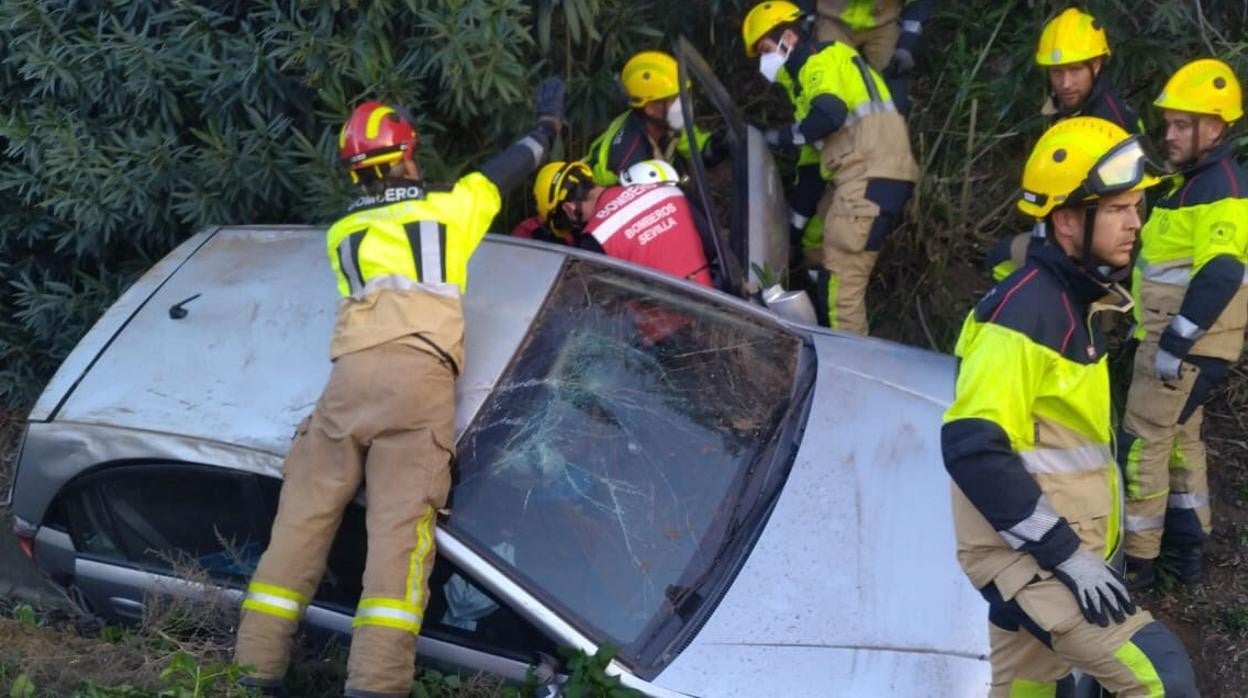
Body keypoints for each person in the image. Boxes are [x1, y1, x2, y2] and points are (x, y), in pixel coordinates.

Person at [232, 79, 565, 697]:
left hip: (348, 384)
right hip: (418, 384)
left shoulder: (342, 239)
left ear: (356, 175)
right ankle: (376, 686)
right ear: (410, 156)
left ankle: (252, 673)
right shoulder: (448, 213)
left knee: (301, 526)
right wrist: (546, 125)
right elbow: (502, 171)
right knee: (397, 538)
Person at [942, 115, 1198, 695]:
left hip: (1048, 554)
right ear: (1065, 220)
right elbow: (972, 446)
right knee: (1163, 680)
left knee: (1033, 689)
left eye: (1137, 206)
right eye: (1117, 209)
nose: (1137, 222)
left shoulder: (1073, 302)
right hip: (1034, 561)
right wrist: (1066, 555)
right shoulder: (1023, 316)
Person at [1119, 58, 1248, 590]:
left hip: (1184, 342)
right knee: (1179, 438)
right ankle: (1187, 553)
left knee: (1141, 440)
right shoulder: (1196, 181)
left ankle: (1138, 564)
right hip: (1185, 341)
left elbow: (1222, 269)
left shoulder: (1221, 187)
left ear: (1215, 128)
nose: (1168, 134)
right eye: (1167, 123)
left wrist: (1176, 341)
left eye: (1181, 125)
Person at [743, 0, 917, 334]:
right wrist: (791, 234)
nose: (766, 61)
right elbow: (811, 173)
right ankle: (815, 299)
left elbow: (829, 113)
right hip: (873, 174)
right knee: (815, 241)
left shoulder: (819, 62)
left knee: (843, 292)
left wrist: (780, 138)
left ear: (790, 39)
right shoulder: (816, 80)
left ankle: (850, 368)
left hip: (867, 177)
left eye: (767, 49)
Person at [988, 6, 1144, 282]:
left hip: (1096, 247)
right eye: (1057, 72)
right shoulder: (1069, 110)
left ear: (1095, 65)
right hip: (1068, 230)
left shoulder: (1109, 122)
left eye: (1074, 70)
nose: (1066, 83)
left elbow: (1118, 208)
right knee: (1002, 258)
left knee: (1005, 260)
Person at [532, 160, 714, 288]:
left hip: (665, 333)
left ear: (569, 208)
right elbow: (712, 246)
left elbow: (586, 297)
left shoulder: (596, 239)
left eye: (565, 223)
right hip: (719, 308)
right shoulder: (667, 191)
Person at [583, 50, 727, 187]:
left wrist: (723, 143)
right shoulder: (632, 159)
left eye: (684, 95)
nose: (683, 104)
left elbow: (697, 147)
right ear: (650, 108)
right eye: (675, 99)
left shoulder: (666, 126)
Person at [800, 0, 933, 115]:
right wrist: (806, 16)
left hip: (884, 24)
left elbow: (918, 3)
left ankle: (889, 131)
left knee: (893, 83)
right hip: (833, 19)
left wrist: (906, 45)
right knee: (824, 82)